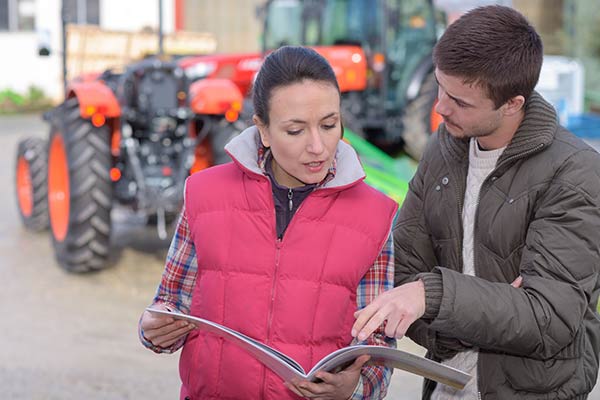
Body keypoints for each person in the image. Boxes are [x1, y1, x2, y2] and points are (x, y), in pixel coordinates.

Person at [352, 5, 600, 400]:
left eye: (461, 101)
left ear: (513, 103)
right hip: (444, 389)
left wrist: (432, 297)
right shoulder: (443, 150)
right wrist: (497, 306)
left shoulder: (575, 172)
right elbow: (403, 276)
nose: (440, 107)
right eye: (440, 87)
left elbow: (548, 320)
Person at [138, 45, 398, 400]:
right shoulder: (204, 193)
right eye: (295, 131)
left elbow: (378, 346)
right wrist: (153, 328)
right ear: (262, 129)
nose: (318, 146)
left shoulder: (376, 215)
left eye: (329, 124)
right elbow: (170, 303)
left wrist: (356, 387)